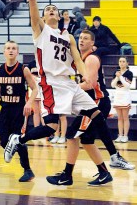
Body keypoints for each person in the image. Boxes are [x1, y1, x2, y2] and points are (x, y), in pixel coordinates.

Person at [3, 0, 124, 183]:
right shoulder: (40, 31)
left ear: (59, 16)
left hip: (69, 83)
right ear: (43, 15)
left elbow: (77, 60)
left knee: (96, 114)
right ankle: (17, 140)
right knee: (50, 127)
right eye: (47, 9)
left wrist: (85, 76)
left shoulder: (67, 36)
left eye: (53, 10)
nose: (50, 11)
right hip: (51, 83)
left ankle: (114, 157)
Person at [47, 30, 134, 187]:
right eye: (80, 37)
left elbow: (90, 84)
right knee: (86, 140)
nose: (81, 40)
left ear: (92, 43)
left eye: (86, 38)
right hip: (89, 103)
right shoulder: (79, 59)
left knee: (72, 136)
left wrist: (65, 88)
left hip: (98, 102)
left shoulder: (91, 59)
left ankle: (68, 175)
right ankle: (104, 173)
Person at [0, 40, 37, 182]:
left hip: (20, 110)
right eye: (8, 48)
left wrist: (29, 103)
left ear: (17, 52)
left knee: (17, 140)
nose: (11, 50)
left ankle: (27, 170)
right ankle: (20, 152)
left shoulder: (23, 69)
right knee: (4, 141)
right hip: (5, 109)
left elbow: (35, 89)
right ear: (4, 51)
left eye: (14, 48)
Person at [111, 56, 133, 143]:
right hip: (117, 95)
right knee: (119, 118)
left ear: (127, 63)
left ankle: (125, 136)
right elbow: (112, 85)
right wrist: (117, 77)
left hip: (125, 95)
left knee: (125, 117)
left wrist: (120, 77)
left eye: (123, 61)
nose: (122, 63)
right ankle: (120, 135)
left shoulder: (129, 73)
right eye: (120, 61)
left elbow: (127, 85)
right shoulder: (116, 73)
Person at [27, 59, 42, 127]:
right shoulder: (31, 64)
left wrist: (38, 78)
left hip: (43, 87)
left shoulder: (45, 62)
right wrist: (31, 77)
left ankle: (47, 132)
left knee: (43, 111)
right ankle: (36, 130)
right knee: (36, 111)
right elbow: (27, 76)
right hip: (33, 87)